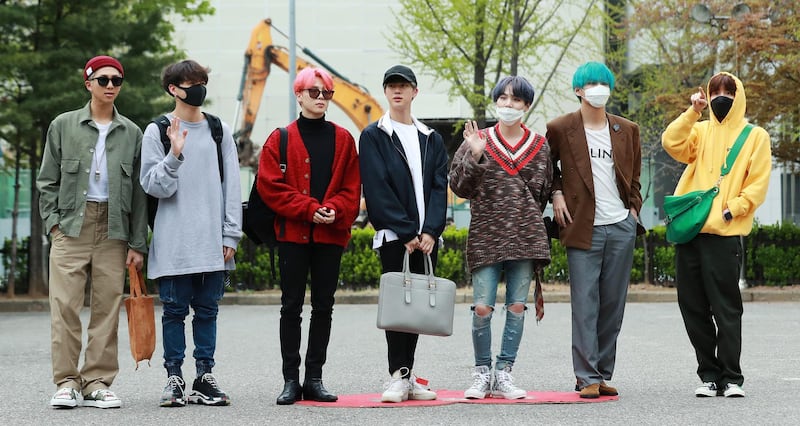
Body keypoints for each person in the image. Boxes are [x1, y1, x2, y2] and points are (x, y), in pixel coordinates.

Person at [37, 55, 148, 409]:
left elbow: (140, 194)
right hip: (71, 226)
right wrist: (53, 223)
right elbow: (47, 181)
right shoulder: (63, 125)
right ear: (88, 84)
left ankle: (97, 381)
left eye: (117, 80)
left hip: (114, 229)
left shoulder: (132, 132)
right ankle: (67, 382)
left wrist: (137, 242)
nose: (111, 85)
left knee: (107, 308)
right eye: (103, 80)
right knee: (65, 307)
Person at [662, 72, 771, 398]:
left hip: (724, 235)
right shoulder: (700, 130)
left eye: (728, 90)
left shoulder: (755, 136)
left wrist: (733, 208)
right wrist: (692, 111)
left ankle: (732, 376)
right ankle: (709, 374)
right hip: (691, 233)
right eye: (715, 91)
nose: (722, 96)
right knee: (691, 306)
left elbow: (758, 182)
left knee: (726, 308)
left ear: (739, 95)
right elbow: (672, 143)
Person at [140, 59, 242, 407]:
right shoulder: (156, 131)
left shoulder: (219, 130)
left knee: (208, 311)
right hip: (173, 244)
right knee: (173, 312)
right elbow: (154, 187)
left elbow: (232, 187)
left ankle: (204, 376)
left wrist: (231, 235)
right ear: (173, 88)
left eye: (202, 82)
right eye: (191, 83)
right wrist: (174, 155)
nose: (198, 89)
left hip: (212, 243)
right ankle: (174, 378)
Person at [257, 67, 361, 405]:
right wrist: (308, 209)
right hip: (293, 236)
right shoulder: (280, 138)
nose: (320, 98)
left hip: (330, 237)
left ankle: (314, 378)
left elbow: (352, 187)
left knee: (324, 306)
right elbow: (270, 188)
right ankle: (291, 379)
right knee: (290, 307)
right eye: (313, 92)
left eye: (326, 93)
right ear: (298, 95)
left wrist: (331, 208)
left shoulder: (344, 138)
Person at [449, 76, 552, 400]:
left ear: (526, 106)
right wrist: (476, 157)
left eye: (516, 100)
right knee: (482, 307)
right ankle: (482, 373)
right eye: (503, 98)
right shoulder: (476, 140)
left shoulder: (539, 145)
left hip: (525, 235)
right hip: (486, 236)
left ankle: (504, 372)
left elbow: (544, 190)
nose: (508, 105)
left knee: (517, 307)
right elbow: (458, 187)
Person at [545, 61, 643, 399]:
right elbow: (548, 168)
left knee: (612, 304)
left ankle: (601, 373)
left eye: (604, 83)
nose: (598, 89)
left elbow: (634, 178)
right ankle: (585, 375)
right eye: (591, 84)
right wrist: (556, 194)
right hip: (582, 226)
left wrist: (633, 211)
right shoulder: (560, 127)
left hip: (620, 226)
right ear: (578, 90)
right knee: (585, 302)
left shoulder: (627, 129)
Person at [358, 65, 448, 403]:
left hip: (426, 240)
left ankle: (408, 375)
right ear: (385, 92)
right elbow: (377, 188)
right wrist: (408, 231)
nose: (398, 91)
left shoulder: (431, 138)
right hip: (396, 238)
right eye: (391, 86)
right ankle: (397, 376)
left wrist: (430, 231)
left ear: (415, 92)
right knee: (398, 307)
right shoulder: (374, 135)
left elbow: (441, 186)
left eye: (404, 86)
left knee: (417, 309)